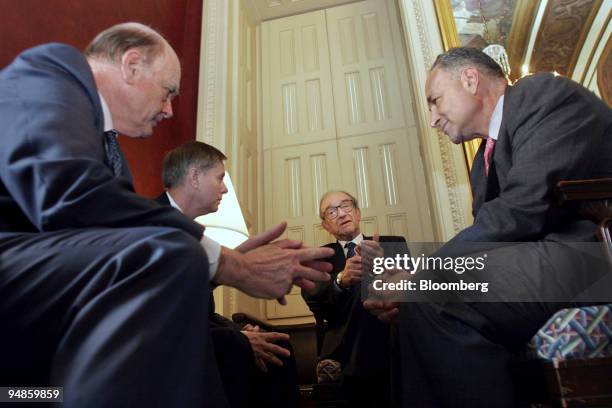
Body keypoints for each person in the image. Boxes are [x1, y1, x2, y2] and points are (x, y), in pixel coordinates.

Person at [0, 22, 332, 408]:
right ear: (132, 64)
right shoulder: (52, 71)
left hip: (43, 303)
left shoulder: (113, 155)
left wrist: (228, 259)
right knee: (172, 252)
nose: (170, 109)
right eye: (168, 91)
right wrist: (231, 265)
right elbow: (67, 193)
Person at [365, 47, 612, 407]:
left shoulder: (542, 95)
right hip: (543, 262)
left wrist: (425, 272)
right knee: (413, 305)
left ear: (469, 78)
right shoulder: (481, 168)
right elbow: (491, 241)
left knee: (432, 289)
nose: (432, 118)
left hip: (590, 256)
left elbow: (523, 207)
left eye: (435, 101)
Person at [158, 140, 299, 407]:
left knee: (278, 348)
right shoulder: (156, 223)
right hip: (165, 353)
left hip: (194, 334)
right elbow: (164, 319)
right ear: (195, 176)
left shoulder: (187, 228)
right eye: (220, 178)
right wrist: (238, 339)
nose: (224, 188)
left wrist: (238, 258)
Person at [302, 190, 408, 407]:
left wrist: (381, 268)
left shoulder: (393, 244)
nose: (341, 214)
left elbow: (412, 293)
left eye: (346, 206)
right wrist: (341, 280)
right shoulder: (318, 259)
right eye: (331, 211)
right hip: (345, 345)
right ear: (325, 226)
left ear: (358, 213)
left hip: (392, 336)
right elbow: (319, 308)